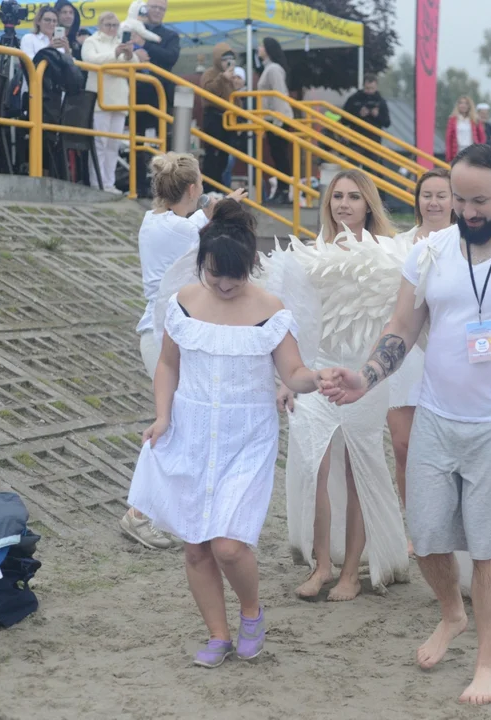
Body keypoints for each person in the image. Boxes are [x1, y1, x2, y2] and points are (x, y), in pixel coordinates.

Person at [320, 143, 491, 705]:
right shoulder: (430, 253)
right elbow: (401, 327)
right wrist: (366, 377)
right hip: (437, 418)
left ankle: (487, 663)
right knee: (428, 539)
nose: (468, 211)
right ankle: (450, 614)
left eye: (480, 200)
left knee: (489, 550)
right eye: (459, 200)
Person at [128, 198, 330, 669]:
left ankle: (252, 612)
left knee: (229, 545)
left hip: (248, 435)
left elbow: (294, 370)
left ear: (250, 266)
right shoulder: (182, 302)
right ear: (202, 262)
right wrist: (162, 416)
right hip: (190, 431)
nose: (222, 284)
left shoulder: (270, 308)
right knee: (196, 546)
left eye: (233, 277)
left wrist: (318, 379)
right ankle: (217, 634)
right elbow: (168, 364)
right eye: (214, 272)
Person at [282, 169, 408, 602]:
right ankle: (322, 564)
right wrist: (287, 378)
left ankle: (352, 570)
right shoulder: (311, 252)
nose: (344, 204)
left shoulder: (391, 254)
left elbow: (399, 321)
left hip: (366, 374)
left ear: (368, 205)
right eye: (337, 196)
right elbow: (293, 320)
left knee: (359, 467)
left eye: (354, 197)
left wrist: (370, 371)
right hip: (316, 372)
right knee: (313, 465)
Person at [120, 152, 246, 549]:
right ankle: (138, 515)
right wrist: (227, 206)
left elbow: (196, 220)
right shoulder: (179, 230)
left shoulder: (152, 220)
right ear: (192, 188)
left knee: (178, 425)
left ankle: (157, 511)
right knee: (170, 426)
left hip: (163, 334)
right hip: (164, 336)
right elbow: (201, 226)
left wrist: (216, 205)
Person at [387, 169, 453, 554]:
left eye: (441, 195)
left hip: (448, 356)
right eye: (426, 195)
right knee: (403, 446)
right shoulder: (396, 246)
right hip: (407, 356)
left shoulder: (466, 244)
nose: (433, 202)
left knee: (444, 448)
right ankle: (416, 527)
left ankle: (443, 525)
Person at [82, 12, 134, 193]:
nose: (112, 29)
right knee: (100, 143)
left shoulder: (120, 41)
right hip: (100, 99)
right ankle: (97, 183)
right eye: (108, 25)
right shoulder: (91, 41)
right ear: (100, 25)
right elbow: (90, 60)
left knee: (114, 144)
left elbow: (135, 65)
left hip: (120, 99)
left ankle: (109, 183)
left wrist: (129, 54)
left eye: (114, 25)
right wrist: (115, 54)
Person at [133, 0, 181, 197]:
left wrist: (146, 47)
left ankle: (163, 186)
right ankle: (137, 184)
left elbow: (170, 58)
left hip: (160, 96)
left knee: (162, 143)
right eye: (154, 7)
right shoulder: (134, 28)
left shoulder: (170, 35)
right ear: (145, 8)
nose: (158, 11)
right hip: (136, 94)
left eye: (162, 9)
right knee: (136, 141)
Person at [199, 43, 244, 186]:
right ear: (218, 60)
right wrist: (222, 78)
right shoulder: (210, 74)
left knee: (224, 156)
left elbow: (234, 99)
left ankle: (217, 186)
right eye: (225, 59)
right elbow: (208, 92)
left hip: (227, 120)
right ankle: (209, 186)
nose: (228, 62)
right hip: (213, 117)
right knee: (213, 154)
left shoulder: (230, 78)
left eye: (231, 59)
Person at [256, 37, 294, 204]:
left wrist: (278, 121)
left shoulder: (273, 69)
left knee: (281, 156)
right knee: (277, 156)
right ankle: (281, 190)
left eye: (262, 46)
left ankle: (284, 191)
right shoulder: (269, 68)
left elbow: (279, 95)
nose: (259, 48)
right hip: (272, 119)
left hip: (278, 118)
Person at [342, 74, 391, 154]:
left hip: (373, 141)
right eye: (367, 88)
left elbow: (387, 123)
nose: (370, 91)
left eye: (372, 88)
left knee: (371, 165)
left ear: (376, 87)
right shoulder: (353, 99)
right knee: (353, 165)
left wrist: (377, 115)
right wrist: (359, 114)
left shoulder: (381, 102)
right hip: (356, 139)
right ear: (363, 86)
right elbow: (344, 120)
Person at [445, 95, 486, 163]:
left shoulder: (475, 120)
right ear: (458, 105)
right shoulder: (452, 120)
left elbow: (482, 138)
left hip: (472, 152)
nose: (463, 105)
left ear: (469, 106)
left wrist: (480, 151)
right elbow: (449, 139)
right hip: (457, 152)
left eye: (466, 103)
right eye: (461, 103)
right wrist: (449, 157)